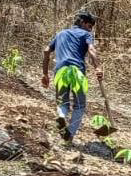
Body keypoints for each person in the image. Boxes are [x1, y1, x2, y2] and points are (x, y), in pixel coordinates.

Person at [41, 9, 102, 143]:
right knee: (79, 105)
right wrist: (97, 67)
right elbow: (91, 49)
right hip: (77, 72)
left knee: (62, 102)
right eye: (90, 26)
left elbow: (46, 51)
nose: (90, 30)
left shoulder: (61, 33)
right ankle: (70, 135)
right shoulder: (86, 34)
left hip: (60, 71)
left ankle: (61, 116)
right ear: (83, 23)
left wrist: (45, 74)